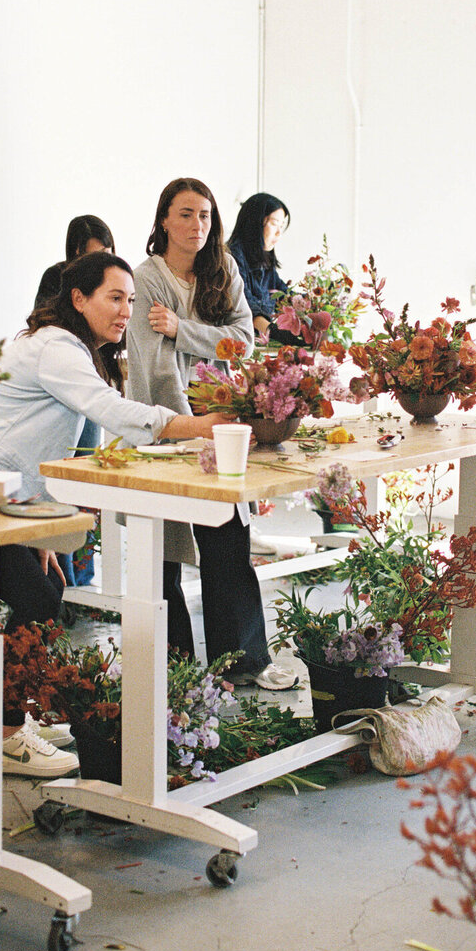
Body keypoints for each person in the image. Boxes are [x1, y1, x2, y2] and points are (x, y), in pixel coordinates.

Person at [0, 252, 227, 776]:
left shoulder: (72, 349)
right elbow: (111, 411)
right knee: (36, 597)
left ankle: (8, 720)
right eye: (115, 297)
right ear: (78, 299)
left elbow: (39, 445)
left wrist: (37, 528)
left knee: (45, 591)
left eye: (131, 299)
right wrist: (199, 425)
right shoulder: (56, 347)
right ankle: (3, 736)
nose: (126, 310)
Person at [126, 177, 298, 690]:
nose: (196, 224)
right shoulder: (147, 279)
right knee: (162, 554)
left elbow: (243, 341)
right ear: (163, 220)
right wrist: (189, 429)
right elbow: (155, 367)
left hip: (220, 424)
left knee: (227, 540)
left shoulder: (223, 268)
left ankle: (242, 663)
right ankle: (175, 672)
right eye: (185, 214)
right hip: (167, 426)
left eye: (204, 215)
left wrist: (182, 330)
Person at [34, 215, 116, 584]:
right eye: (90, 256)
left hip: (94, 388)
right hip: (66, 392)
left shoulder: (112, 283)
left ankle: (82, 577)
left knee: (87, 482)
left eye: (106, 253)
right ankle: (63, 578)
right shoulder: (57, 279)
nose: (99, 263)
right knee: (65, 480)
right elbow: (46, 326)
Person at [227, 193, 291, 338]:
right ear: (254, 222)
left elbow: (284, 295)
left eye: (281, 226)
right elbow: (245, 306)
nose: (279, 233)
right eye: (274, 224)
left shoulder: (264, 261)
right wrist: (274, 333)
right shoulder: (231, 258)